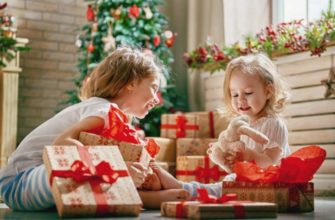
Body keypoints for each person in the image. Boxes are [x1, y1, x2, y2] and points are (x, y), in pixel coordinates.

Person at [0, 46, 188, 211]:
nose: (156, 98)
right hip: (19, 182)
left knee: (109, 171)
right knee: (96, 170)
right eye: (153, 88)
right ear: (131, 83)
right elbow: (61, 144)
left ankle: (154, 196)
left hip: (38, 186)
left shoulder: (115, 119)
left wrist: (179, 186)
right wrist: (118, 167)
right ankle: (145, 199)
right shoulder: (103, 109)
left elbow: (147, 167)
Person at [153, 53, 291, 199]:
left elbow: (271, 163)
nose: (241, 100)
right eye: (235, 95)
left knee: (223, 188)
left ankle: (183, 190)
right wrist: (227, 159)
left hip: (272, 184)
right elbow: (238, 167)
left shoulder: (273, 124)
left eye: (248, 93)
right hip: (250, 180)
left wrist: (249, 155)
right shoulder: (242, 125)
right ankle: (181, 188)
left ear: (268, 91)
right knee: (225, 184)